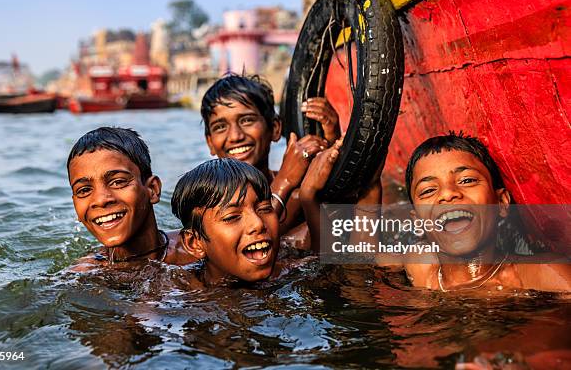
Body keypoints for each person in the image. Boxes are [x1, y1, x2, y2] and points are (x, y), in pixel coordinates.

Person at [300, 132, 571, 292]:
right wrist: (368, 195)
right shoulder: (421, 267)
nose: (448, 193)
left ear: (501, 204)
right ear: (417, 220)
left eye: (466, 181)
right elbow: (353, 261)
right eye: (429, 190)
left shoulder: (543, 275)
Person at [200, 73, 339, 235]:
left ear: (275, 129)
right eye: (220, 127)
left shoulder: (299, 190)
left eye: (246, 120)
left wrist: (332, 144)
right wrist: (285, 180)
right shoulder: (208, 205)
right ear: (210, 143)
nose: (235, 136)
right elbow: (247, 237)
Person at [67, 127, 194, 271]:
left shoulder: (197, 248)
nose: (101, 200)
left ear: (152, 189)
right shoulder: (83, 275)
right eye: (84, 190)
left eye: (118, 182)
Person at [171, 158, 312, 285]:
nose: (258, 224)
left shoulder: (298, 272)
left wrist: (310, 196)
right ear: (194, 243)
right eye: (232, 217)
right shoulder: (171, 300)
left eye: (264, 209)